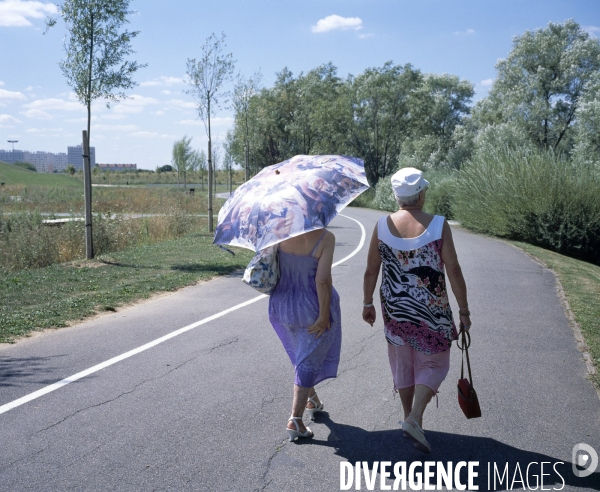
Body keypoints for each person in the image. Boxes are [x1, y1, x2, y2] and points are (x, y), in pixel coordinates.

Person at [362, 167, 471, 453]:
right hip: (431, 309)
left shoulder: (382, 225)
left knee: (403, 360)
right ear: (421, 194)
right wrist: (464, 310)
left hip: (394, 306)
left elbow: (371, 270)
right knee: (434, 362)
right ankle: (414, 417)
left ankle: (411, 418)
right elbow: (454, 270)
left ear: (397, 196)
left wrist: (367, 303)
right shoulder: (438, 224)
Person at [269, 227, 341, 442]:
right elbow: (322, 281)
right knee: (307, 362)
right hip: (311, 306)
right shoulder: (325, 238)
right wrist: (324, 314)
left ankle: (312, 401)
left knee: (301, 356)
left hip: (281, 304)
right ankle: (296, 420)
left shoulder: (279, 232)